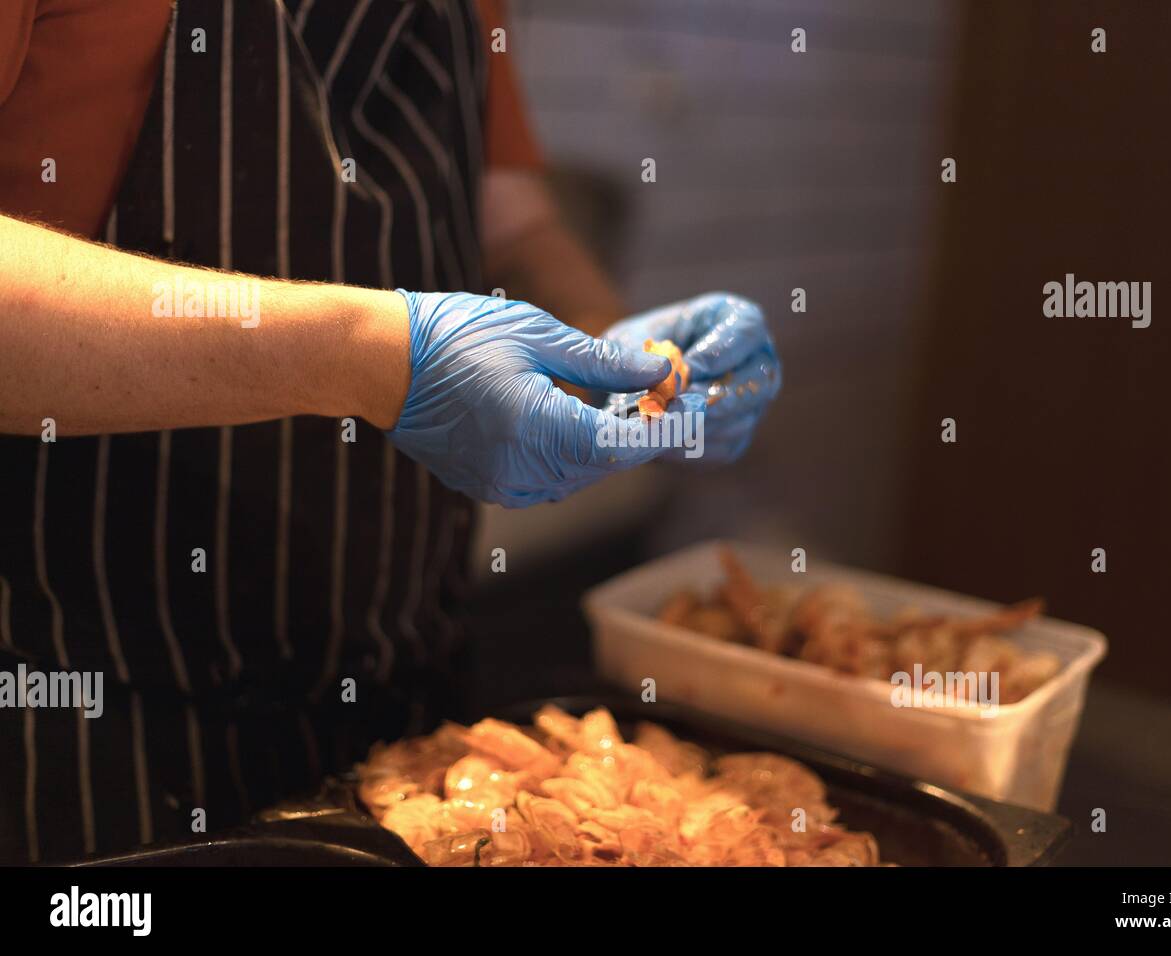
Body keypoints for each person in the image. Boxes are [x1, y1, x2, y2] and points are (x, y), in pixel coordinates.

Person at [0, 0, 780, 863]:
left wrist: (617, 354)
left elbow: (513, 222)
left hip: (398, 720)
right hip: (75, 721)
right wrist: (378, 356)